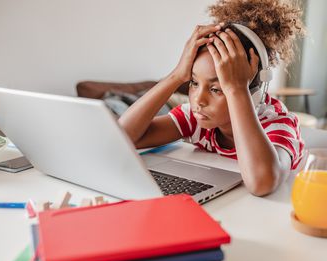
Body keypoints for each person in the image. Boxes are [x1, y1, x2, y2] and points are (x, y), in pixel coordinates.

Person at [119, 0, 305, 196]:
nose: (198, 101)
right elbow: (122, 138)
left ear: (254, 92)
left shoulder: (278, 124)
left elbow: (261, 184)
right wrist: (176, 76)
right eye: (194, 82)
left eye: (217, 89)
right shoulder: (196, 118)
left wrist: (236, 89)